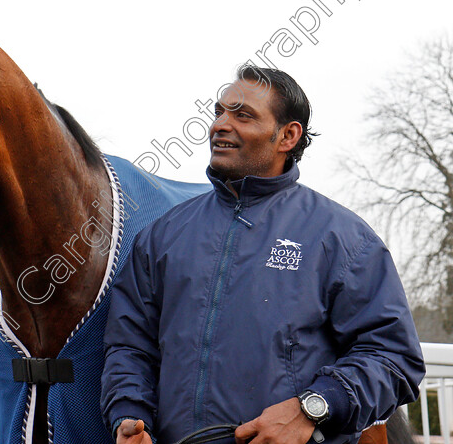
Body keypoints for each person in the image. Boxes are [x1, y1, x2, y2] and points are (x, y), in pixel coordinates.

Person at [100, 65, 425, 444]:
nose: (220, 124)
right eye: (219, 112)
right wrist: (129, 417)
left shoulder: (344, 239)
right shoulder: (162, 236)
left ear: (288, 135)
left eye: (243, 115)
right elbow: (128, 346)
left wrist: (311, 408)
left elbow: (394, 358)